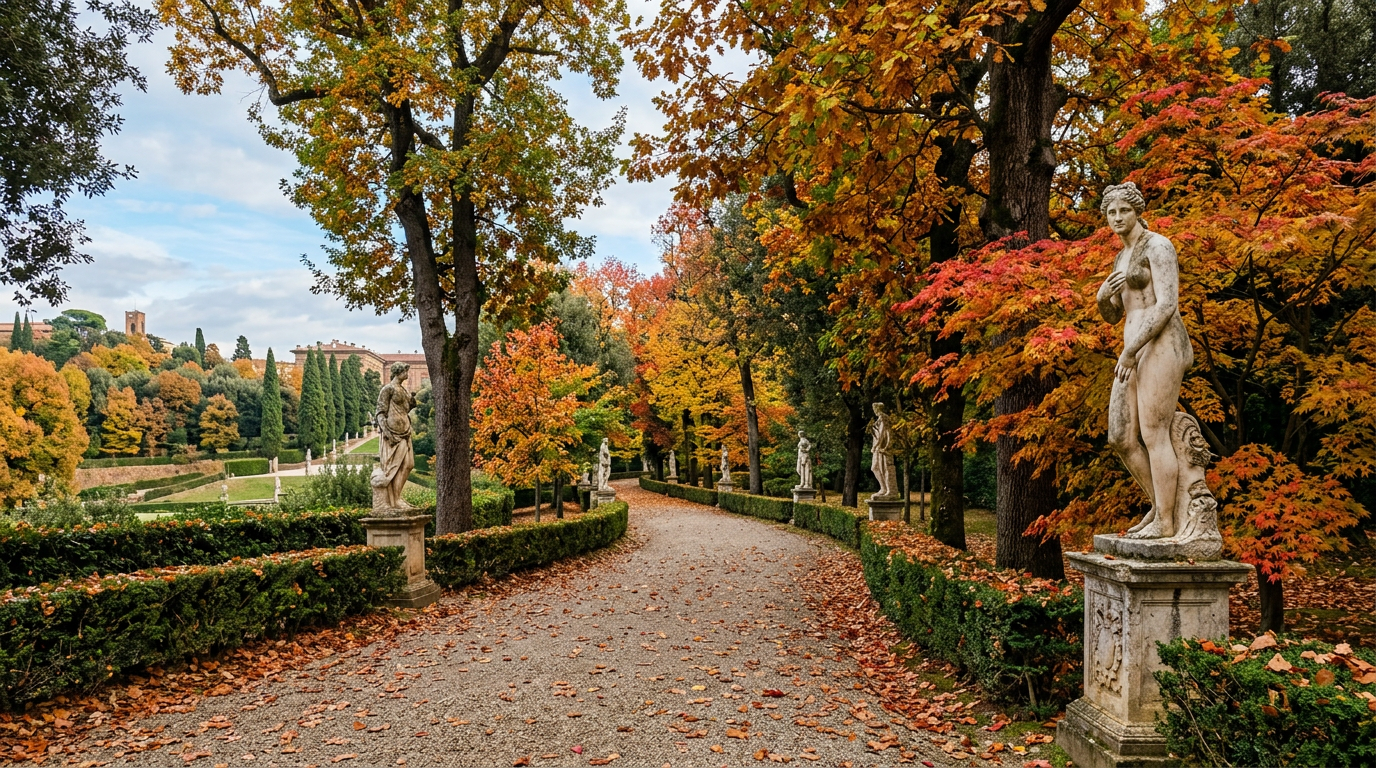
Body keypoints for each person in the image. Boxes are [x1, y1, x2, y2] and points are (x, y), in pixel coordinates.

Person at [1096, 182, 1194, 539]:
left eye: (1124, 210)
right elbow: (1114, 315)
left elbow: (1166, 305)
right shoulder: (1121, 257)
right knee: (1120, 437)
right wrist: (1102, 297)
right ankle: (1162, 506)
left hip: (1161, 344)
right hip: (1133, 349)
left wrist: (1130, 350)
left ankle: (1165, 522)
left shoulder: (1158, 246)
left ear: (1137, 211)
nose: (1118, 217)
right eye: (1112, 212)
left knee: (1154, 433)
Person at [372, 362, 418, 511]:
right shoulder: (388, 389)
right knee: (395, 466)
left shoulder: (403, 390)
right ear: (398, 372)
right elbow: (380, 412)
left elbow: (405, 409)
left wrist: (412, 402)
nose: (407, 374)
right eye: (405, 371)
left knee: (409, 465)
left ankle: (397, 498)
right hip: (393, 434)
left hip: (405, 431)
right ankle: (395, 500)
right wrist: (387, 433)